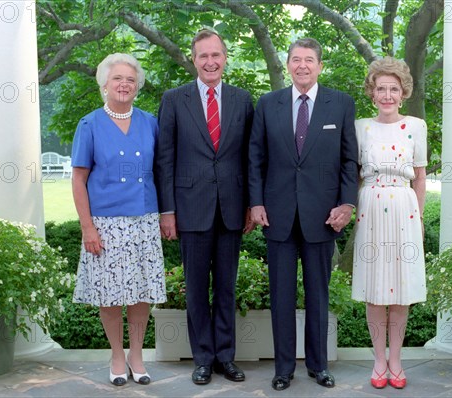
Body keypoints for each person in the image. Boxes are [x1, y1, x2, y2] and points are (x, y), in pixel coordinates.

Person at [248, 38, 359, 391]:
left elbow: (349, 160)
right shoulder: (268, 104)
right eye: (296, 60)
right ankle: (283, 369)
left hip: (323, 216)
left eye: (309, 60)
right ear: (288, 65)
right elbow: (255, 159)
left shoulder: (340, 104)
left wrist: (347, 203)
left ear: (320, 66)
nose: (302, 66)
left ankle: (318, 365)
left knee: (318, 295)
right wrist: (256, 202)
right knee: (280, 297)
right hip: (277, 215)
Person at [154, 29, 255, 385]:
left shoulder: (243, 100)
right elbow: (164, 159)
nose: (210, 62)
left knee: (226, 286)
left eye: (216, 55)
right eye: (203, 56)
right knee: (196, 288)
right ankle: (202, 357)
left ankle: (225, 357)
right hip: (189, 209)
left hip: (231, 208)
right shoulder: (173, 99)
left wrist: (250, 205)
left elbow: (249, 158)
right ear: (193, 59)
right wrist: (167, 211)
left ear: (225, 57)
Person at [71, 53, 166, 387]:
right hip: (106, 224)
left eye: (130, 79)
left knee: (141, 294)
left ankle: (137, 356)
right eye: (118, 79)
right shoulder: (89, 124)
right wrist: (87, 227)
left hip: (143, 221)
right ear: (104, 84)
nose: (124, 84)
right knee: (110, 295)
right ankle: (116, 354)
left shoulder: (150, 122)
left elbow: (161, 172)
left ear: (137, 85)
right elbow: (79, 179)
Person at [351, 57, 427, 390]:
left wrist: (420, 219)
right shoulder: (359, 127)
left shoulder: (416, 126)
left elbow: (421, 176)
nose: (387, 94)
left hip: (404, 210)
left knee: (399, 291)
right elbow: (352, 176)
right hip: (371, 207)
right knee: (374, 290)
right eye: (380, 88)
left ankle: (396, 360)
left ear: (403, 92)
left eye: (393, 88)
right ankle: (378, 361)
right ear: (372, 92)